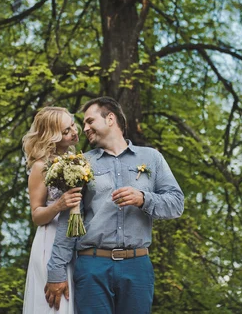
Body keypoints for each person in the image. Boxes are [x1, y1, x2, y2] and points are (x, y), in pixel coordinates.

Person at [45, 97, 185, 313]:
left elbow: (176, 204)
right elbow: (69, 220)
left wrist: (143, 198)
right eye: (83, 123)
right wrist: (56, 272)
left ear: (110, 118)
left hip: (137, 267)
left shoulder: (152, 158)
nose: (85, 128)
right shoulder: (80, 163)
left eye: (90, 121)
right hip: (92, 267)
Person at [22, 107, 83, 314]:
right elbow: (36, 215)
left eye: (73, 125)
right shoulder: (41, 166)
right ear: (53, 136)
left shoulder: (77, 160)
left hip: (74, 241)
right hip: (50, 241)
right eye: (66, 131)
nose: (74, 132)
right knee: (56, 306)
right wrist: (58, 205)